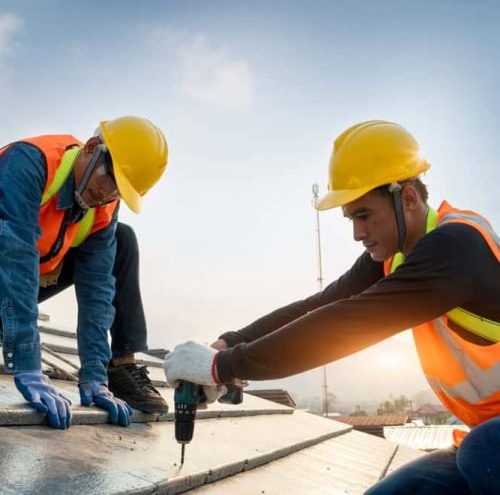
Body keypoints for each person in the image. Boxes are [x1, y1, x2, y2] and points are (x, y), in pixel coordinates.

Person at [164, 120, 500, 494]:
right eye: (350, 218)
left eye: (364, 215)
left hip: (490, 444)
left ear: (407, 198)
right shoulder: (395, 256)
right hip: (488, 436)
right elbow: (321, 305)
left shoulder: (456, 245)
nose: (356, 234)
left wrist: (220, 368)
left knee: (483, 453)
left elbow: (348, 323)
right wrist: (227, 344)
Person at [0, 115, 169, 429]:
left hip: (22, 282)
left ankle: (120, 366)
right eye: (110, 181)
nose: (107, 196)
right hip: (8, 270)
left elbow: (98, 291)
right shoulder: (29, 163)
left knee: (122, 240)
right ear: (92, 148)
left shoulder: (104, 207)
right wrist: (26, 362)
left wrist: (95, 373)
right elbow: (15, 258)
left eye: (119, 192)